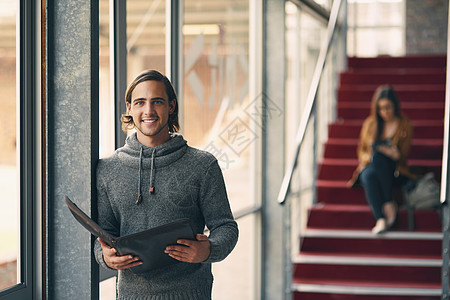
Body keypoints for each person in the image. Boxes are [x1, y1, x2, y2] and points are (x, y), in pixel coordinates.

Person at [93, 69, 239, 299]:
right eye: (140, 102)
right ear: (129, 108)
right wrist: (105, 257)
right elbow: (103, 234)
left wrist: (208, 249)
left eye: (157, 102)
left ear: (171, 107)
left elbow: (226, 227)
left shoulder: (202, 165)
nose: (148, 111)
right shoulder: (107, 169)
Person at [347, 85, 415, 234]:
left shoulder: (404, 124)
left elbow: (403, 155)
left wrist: (393, 153)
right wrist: (370, 156)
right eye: (381, 108)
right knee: (369, 173)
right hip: (371, 166)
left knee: (378, 160)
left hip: (394, 169)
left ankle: (384, 209)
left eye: (388, 107)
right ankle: (382, 215)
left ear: (395, 106)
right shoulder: (370, 124)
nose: (384, 112)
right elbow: (362, 151)